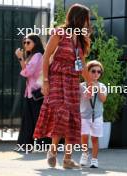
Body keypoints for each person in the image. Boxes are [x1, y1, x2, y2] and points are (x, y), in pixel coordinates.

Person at [33, 4, 92, 169]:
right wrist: (45, 81)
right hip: (57, 80)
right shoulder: (59, 33)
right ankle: (52, 151)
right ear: (78, 18)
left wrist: (90, 83)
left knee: (73, 118)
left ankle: (67, 159)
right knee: (61, 115)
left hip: (72, 82)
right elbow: (46, 58)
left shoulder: (80, 39)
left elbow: (82, 65)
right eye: (85, 20)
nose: (87, 23)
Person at [15, 33, 44, 150]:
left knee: (36, 119)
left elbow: (27, 72)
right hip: (31, 92)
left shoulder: (37, 55)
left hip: (36, 92)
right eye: (24, 43)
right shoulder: (32, 56)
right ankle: (26, 145)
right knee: (29, 119)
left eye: (28, 42)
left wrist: (21, 58)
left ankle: (29, 145)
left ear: (35, 43)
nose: (25, 45)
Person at [79, 60, 107, 168]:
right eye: (93, 71)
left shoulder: (102, 86)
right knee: (84, 137)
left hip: (97, 116)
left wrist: (97, 87)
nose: (96, 74)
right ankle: (85, 154)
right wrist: (90, 87)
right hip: (84, 116)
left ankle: (94, 159)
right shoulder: (81, 86)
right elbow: (84, 97)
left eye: (99, 72)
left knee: (95, 138)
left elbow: (103, 99)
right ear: (87, 72)